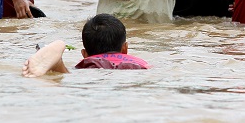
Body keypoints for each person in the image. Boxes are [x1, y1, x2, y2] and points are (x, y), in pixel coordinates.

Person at [22, 14, 150, 77]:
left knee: (69, 75)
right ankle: (58, 65)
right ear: (125, 49)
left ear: (84, 54)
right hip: (131, 70)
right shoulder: (140, 63)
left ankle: (59, 65)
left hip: (94, 67)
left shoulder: (88, 62)